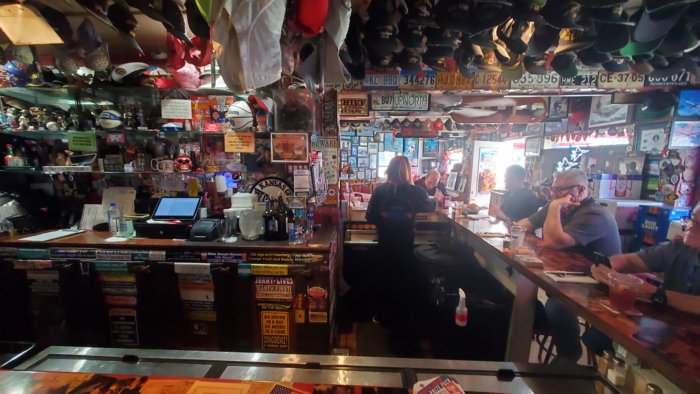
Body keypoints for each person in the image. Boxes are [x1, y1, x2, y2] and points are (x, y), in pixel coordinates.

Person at [516, 168, 621, 363]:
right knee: (520, 292)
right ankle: (523, 334)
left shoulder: (595, 215)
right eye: (552, 190)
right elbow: (524, 224)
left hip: (599, 285)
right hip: (566, 274)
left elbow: (553, 242)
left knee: (557, 305)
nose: (553, 195)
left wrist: (554, 206)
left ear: (581, 190)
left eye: (559, 190)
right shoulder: (558, 205)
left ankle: (569, 354)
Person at [366, 156, 438, 333]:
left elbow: (370, 216)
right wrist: (437, 199)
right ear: (408, 171)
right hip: (405, 241)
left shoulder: (380, 191)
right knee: (404, 276)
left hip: (385, 241)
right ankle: (403, 316)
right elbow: (431, 206)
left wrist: (386, 221)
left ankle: (381, 314)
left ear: (389, 170)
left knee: (384, 275)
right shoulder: (416, 191)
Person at [592, 201, 700, 316]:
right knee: (598, 329)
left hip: (686, 330)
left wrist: (653, 293)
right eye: (692, 220)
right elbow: (631, 261)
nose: (690, 227)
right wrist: (608, 267)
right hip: (668, 324)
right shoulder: (678, 248)